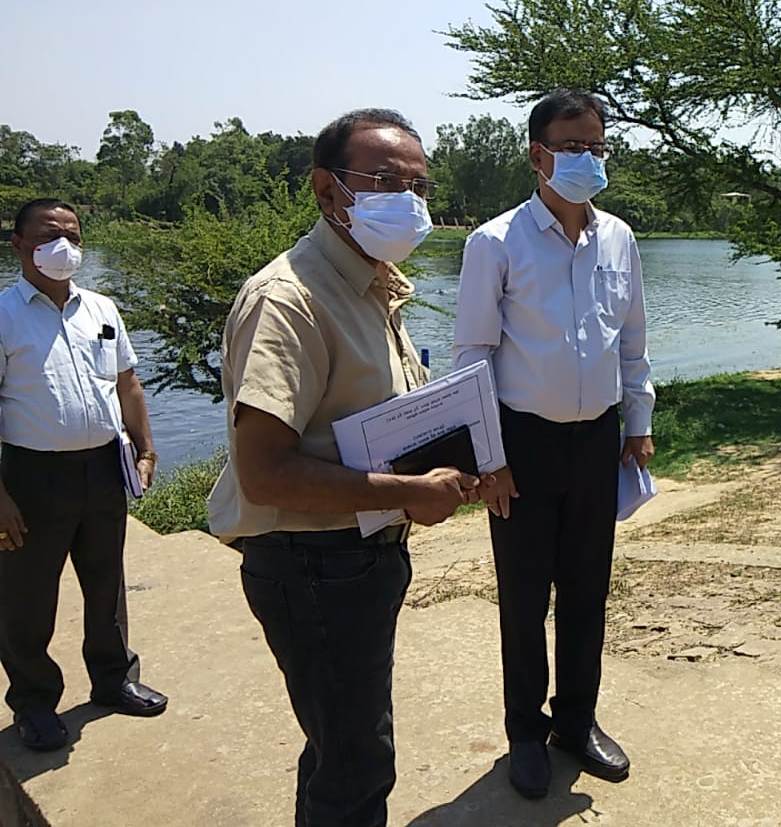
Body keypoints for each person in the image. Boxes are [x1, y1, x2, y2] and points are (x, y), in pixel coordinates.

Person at [207, 109, 479, 826]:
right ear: (328, 191)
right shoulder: (289, 300)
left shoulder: (372, 285)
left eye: (419, 186)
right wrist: (408, 492)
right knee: (355, 761)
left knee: (343, 742)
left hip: (356, 556)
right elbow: (264, 473)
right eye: (387, 181)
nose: (411, 202)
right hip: (311, 562)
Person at [454, 89, 655, 799]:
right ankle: (523, 731)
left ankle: (577, 720)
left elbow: (631, 341)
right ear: (538, 154)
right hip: (523, 444)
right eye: (573, 146)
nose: (587, 157)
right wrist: (489, 456)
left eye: (597, 145)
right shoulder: (495, 241)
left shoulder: (619, 238)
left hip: (597, 439)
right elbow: (473, 353)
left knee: (586, 591)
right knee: (523, 595)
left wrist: (639, 424)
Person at [0, 199, 167, 752]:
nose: (63, 245)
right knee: (27, 594)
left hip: (101, 466)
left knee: (105, 581)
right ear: (20, 244)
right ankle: (34, 702)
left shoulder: (100, 308)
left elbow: (128, 384)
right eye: (49, 234)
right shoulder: (4, 315)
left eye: (72, 234)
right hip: (30, 475)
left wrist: (145, 448)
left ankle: (114, 679)